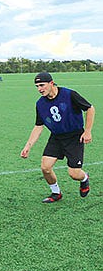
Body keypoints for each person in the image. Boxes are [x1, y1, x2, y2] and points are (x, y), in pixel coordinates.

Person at [20, 72, 95, 203]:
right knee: (45, 167)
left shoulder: (69, 94)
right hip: (57, 137)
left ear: (51, 83)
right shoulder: (40, 104)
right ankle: (56, 193)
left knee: (74, 174)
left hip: (74, 137)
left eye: (42, 85)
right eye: (37, 86)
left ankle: (84, 178)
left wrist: (87, 131)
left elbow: (90, 108)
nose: (39, 89)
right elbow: (38, 126)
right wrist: (28, 145)